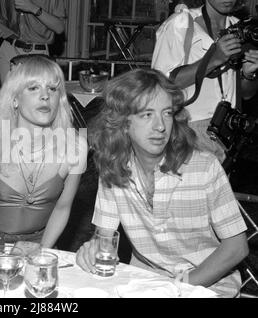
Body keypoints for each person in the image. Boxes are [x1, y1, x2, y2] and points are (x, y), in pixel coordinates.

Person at [76, 68, 249, 297]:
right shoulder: (114, 167)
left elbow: (236, 247)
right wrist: (93, 248)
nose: (160, 126)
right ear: (123, 122)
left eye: (166, 113)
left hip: (207, 284)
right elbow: (105, 238)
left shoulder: (204, 167)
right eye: (147, 114)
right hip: (145, 282)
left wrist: (179, 286)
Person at [0, 54, 87, 248]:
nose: (45, 95)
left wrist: (41, 252)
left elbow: (62, 209)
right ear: (14, 99)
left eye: (53, 89)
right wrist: (4, 250)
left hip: (42, 246)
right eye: (33, 88)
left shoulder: (75, 147)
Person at [152, 0, 258, 163]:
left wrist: (249, 74)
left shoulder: (240, 29)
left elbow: (247, 94)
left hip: (226, 133)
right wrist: (213, 60)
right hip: (188, 131)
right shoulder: (180, 24)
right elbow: (160, 84)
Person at [0, 0, 65, 83]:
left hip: (36, 54)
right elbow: (4, 19)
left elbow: (59, 27)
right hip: (8, 49)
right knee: (7, 95)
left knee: (32, 94)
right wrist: (0, 28)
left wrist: (33, 8)